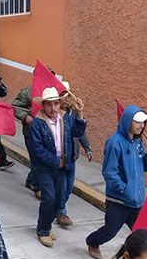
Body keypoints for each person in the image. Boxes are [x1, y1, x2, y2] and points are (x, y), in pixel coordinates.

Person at [85, 105, 147, 259]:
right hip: (118, 201)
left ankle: (137, 258)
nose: (141, 126)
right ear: (127, 121)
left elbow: (142, 166)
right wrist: (125, 190)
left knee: (142, 233)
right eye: (137, 122)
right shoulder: (114, 142)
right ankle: (92, 241)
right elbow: (109, 173)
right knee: (110, 231)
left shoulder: (138, 142)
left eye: (143, 122)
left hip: (137, 201)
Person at [29, 87, 86, 247]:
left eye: (56, 104)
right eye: (49, 104)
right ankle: (43, 230)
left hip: (62, 167)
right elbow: (37, 150)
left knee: (60, 197)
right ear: (44, 106)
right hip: (44, 168)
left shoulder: (65, 118)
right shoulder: (37, 124)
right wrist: (56, 161)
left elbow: (77, 131)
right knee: (49, 197)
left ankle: (46, 225)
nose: (53, 108)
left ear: (60, 104)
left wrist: (80, 114)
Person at [58, 91, 94, 226]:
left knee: (68, 187)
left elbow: (80, 132)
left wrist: (87, 148)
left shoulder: (72, 113)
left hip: (72, 157)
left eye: (68, 97)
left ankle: (59, 206)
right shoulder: (55, 115)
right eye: (64, 97)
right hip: (60, 159)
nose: (67, 100)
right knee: (61, 187)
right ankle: (61, 211)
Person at [12, 86, 39, 197]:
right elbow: (15, 106)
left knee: (40, 160)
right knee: (36, 159)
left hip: (48, 134)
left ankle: (31, 180)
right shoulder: (28, 92)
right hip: (31, 132)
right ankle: (38, 188)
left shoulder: (54, 92)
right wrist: (25, 116)